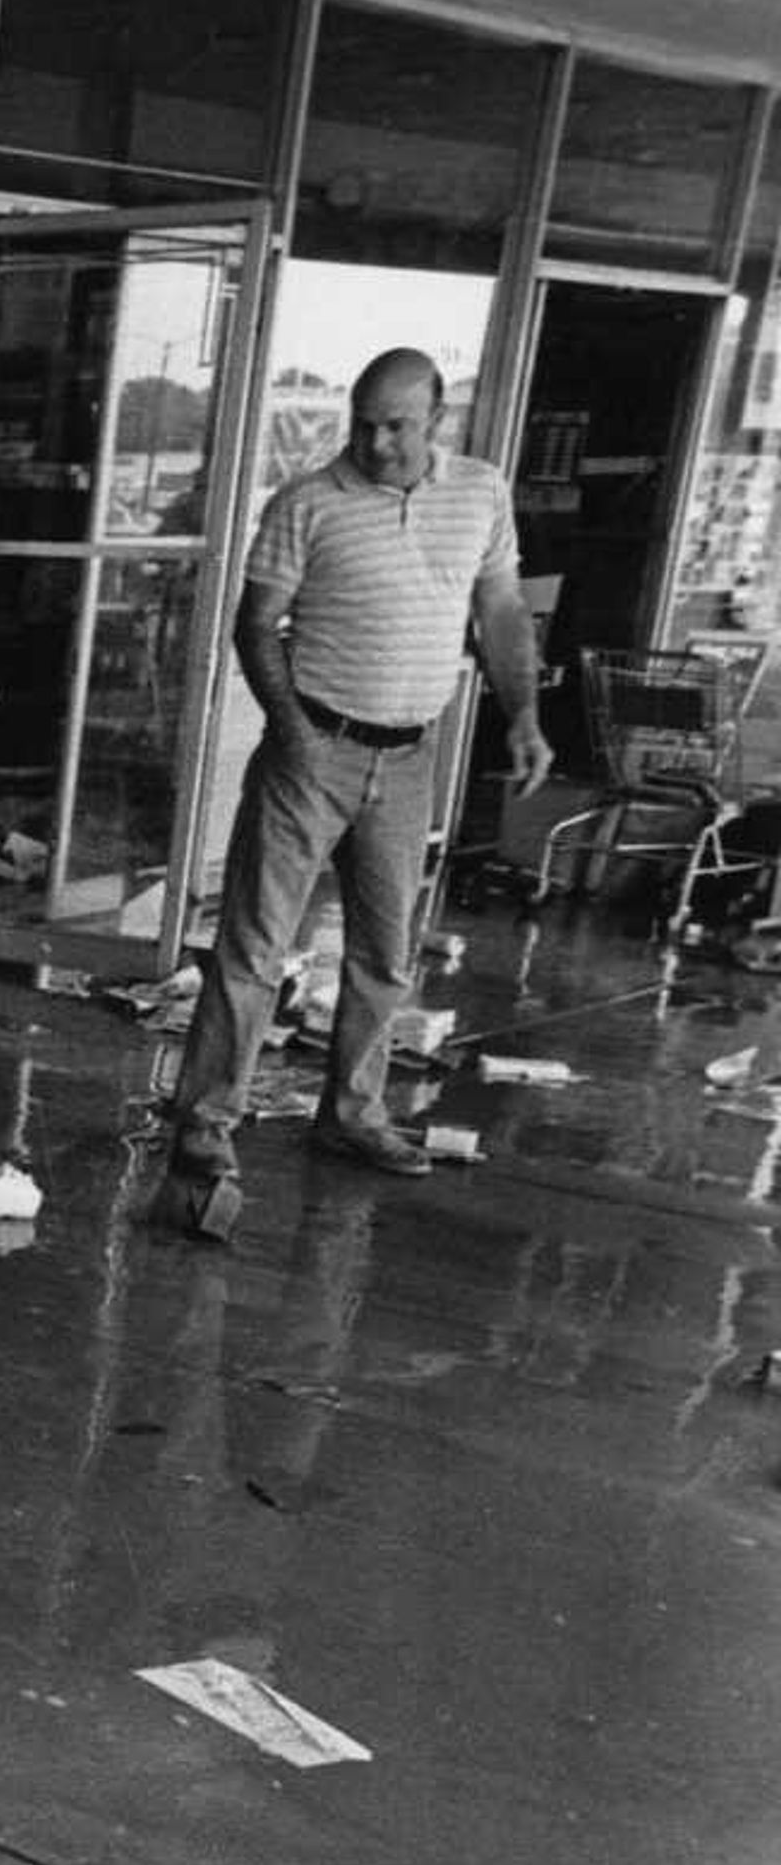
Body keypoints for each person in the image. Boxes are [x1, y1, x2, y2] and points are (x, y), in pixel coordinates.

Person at [163, 347, 548, 1230]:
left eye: (396, 426)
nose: (375, 443)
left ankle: (355, 1115)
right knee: (254, 947)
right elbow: (255, 626)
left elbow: (499, 610)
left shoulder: (480, 493)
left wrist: (521, 715)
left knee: (386, 950)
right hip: (315, 746)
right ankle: (208, 1120)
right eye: (363, 423)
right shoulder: (307, 503)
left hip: (409, 754)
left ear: (437, 420)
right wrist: (294, 734)